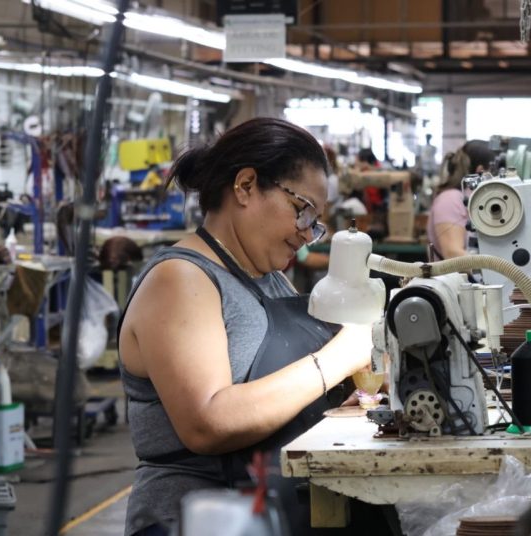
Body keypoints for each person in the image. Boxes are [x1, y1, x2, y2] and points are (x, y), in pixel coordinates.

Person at [118, 118, 373, 536]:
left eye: (315, 222)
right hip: (199, 521)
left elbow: (282, 395)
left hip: (269, 509)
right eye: (302, 211)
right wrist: (338, 358)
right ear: (246, 186)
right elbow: (207, 422)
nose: (306, 234)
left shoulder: (267, 277)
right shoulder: (181, 279)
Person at [428, 140, 494, 260]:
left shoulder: (475, 200)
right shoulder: (450, 199)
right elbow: (452, 253)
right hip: (457, 273)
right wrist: (497, 266)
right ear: (481, 171)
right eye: (494, 172)